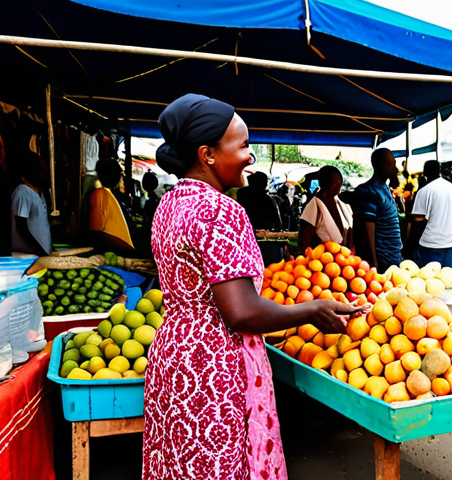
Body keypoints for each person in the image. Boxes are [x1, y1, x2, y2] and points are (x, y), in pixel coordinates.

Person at [144, 94, 364, 480]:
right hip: (215, 365)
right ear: (207, 154)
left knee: (183, 464)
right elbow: (241, 311)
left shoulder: (170, 203)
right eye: (243, 145)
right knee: (225, 465)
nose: (251, 156)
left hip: (175, 355)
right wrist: (312, 308)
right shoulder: (219, 208)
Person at [352, 148, 403, 272]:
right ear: (382, 165)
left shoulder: (384, 189)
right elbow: (367, 231)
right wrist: (374, 265)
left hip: (393, 259)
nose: (395, 168)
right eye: (392, 164)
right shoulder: (368, 191)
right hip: (381, 263)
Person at [407, 160, 452, 269]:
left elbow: (419, 222)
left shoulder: (425, 191)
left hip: (430, 245)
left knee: (429, 281)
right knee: (447, 281)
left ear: (425, 172)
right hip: (451, 244)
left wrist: (409, 247)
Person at [298, 166, 353, 252]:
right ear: (324, 183)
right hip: (322, 260)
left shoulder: (342, 204)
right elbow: (304, 243)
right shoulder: (314, 205)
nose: (339, 185)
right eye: (335, 182)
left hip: (343, 258)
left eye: (340, 182)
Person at [88, 158, 135, 252]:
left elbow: (95, 231)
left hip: (118, 251)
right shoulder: (110, 195)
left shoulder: (99, 194)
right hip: (124, 250)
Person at [10, 151, 51, 256]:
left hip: (40, 255)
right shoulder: (23, 192)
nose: (43, 170)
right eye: (40, 167)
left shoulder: (39, 192)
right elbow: (21, 227)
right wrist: (41, 252)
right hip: (27, 256)